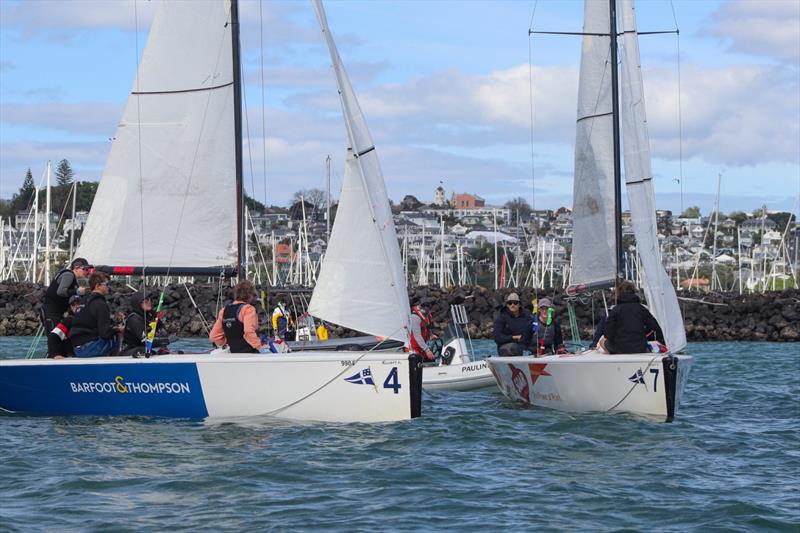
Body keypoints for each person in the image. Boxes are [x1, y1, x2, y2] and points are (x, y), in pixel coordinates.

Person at [599, 281, 665, 354]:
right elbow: (655, 327)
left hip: (619, 348)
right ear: (633, 292)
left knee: (602, 341)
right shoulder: (641, 309)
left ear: (619, 293)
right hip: (640, 347)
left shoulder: (615, 310)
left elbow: (608, 333)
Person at [70, 272, 123, 357]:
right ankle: (115, 362)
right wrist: (118, 329)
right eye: (106, 284)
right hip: (90, 348)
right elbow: (105, 333)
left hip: (77, 348)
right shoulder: (99, 303)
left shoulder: (84, 300)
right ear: (97, 286)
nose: (108, 287)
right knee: (116, 336)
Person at [210, 280, 260, 353]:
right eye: (253, 295)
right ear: (249, 295)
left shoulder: (224, 310)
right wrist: (259, 347)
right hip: (249, 353)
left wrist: (226, 342)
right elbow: (248, 331)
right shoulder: (248, 309)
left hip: (232, 353)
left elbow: (214, 336)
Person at [42, 257, 90, 331]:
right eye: (85, 269)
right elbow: (61, 291)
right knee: (55, 337)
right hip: (51, 311)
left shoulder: (72, 277)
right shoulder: (69, 275)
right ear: (76, 268)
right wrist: (77, 291)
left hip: (54, 311)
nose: (87, 271)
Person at [119, 291, 170, 356]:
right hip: (130, 350)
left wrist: (163, 331)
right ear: (138, 304)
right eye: (145, 301)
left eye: (148, 300)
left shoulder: (151, 314)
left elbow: (161, 327)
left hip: (142, 348)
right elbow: (146, 341)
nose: (148, 302)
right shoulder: (134, 319)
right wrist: (163, 341)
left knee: (163, 352)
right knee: (149, 352)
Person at [493, 292, 533, 356]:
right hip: (505, 347)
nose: (512, 305)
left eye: (515, 303)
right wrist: (514, 337)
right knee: (515, 347)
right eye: (510, 303)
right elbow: (497, 337)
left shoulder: (527, 316)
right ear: (507, 305)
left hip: (522, 345)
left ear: (519, 305)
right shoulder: (501, 317)